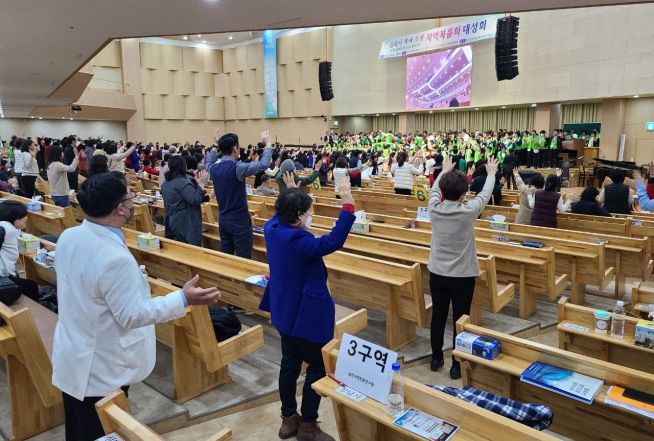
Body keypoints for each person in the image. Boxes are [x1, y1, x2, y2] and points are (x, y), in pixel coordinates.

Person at [51, 172, 221, 441]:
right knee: (100, 430)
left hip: (74, 350)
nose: (132, 202)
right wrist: (183, 299)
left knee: (79, 427)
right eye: (129, 197)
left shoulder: (70, 236)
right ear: (120, 209)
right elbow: (131, 315)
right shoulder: (112, 258)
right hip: (100, 366)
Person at [259, 175, 356, 441]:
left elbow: (280, 214)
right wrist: (348, 206)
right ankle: (308, 425)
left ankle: (288, 420)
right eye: (308, 212)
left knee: (289, 364)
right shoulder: (300, 241)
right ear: (299, 216)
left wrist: (290, 193)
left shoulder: (272, 229)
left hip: (283, 309)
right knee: (316, 365)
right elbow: (333, 241)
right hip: (305, 314)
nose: (310, 217)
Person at [427, 156, 499, 379]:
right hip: (462, 276)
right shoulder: (468, 210)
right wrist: (492, 174)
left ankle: (436, 357)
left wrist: (444, 172)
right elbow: (485, 195)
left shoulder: (434, 207)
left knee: (438, 317)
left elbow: (433, 190)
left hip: (437, 272)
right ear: (463, 193)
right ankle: (457, 364)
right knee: (461, 318)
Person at [210, 133, 272, 258]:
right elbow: (263, 165)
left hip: (223, 220)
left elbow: (208, 160)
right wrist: (268, 145)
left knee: (226, 257)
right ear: (234, 149)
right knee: (243, 259)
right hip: (239, 221)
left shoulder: (213, 168)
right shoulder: (237, 167)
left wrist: (215, 146)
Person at [161, 156, 208, 246]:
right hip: (186, 221)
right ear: (184, 166)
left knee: (178, 247)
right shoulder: (182, 182)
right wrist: (201, 183)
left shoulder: (166, 183)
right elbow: (195, 199)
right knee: (191, 248)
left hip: (172, 218)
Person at [0, 201, 40, 302]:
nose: (26, 218)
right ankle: (34, 312)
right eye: (23, 216)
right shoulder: (7, 229)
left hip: (6, 274)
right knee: (32, 286)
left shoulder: (7, 227)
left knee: (21, 279)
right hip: (3, 278)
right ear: (14, 219)